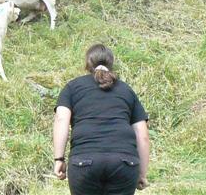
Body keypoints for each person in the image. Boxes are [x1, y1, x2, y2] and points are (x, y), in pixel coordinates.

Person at [52, 44, 150, 194]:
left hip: (84, 161)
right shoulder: (126, 90)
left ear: (87, 64)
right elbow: (143, 136)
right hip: (124, 162)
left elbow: (61, 119)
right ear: (111, 64)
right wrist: (142, 173)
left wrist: (59, 159)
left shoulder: (72, 87)